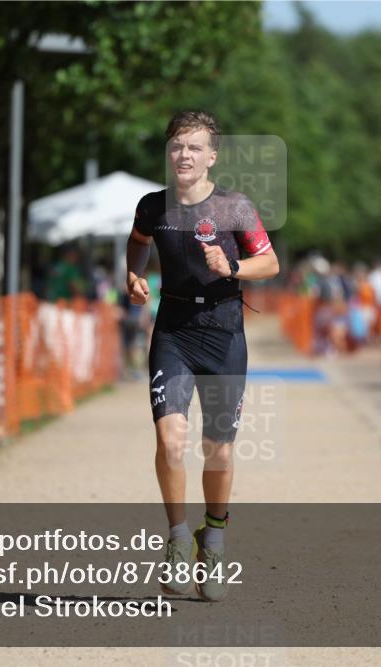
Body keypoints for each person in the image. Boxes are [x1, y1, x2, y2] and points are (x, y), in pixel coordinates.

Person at [126, 110, 279, 602]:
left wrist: (232, 265)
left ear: (211, 156)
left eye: (194, 148)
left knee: (218, 449)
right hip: (172, 330)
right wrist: (133, 275)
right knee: (171, 440)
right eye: (176, 147)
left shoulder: (235, 208)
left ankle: (212, 539)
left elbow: (270, 262)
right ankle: (175, 538)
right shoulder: (152, 206)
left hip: (222, 334)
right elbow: (136, 244)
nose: (184, 155)